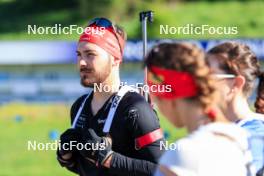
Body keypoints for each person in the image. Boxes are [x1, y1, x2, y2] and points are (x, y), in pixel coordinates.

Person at [56, 17, 164, 176]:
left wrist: (109, 158)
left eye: (90, 54)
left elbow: (162, 171)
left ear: (115, 59)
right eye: (79, 54)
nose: (81, 63)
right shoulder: (79, 107)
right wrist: (66, 158)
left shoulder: (136, 109)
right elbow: (91, 169)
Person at [144, 43, 255, 176]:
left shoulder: (183, 153)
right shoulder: (239, 137)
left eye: (157, 100)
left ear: (170, 99)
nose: (158, 108)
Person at [206, 42, 264, 172]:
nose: (200, 84)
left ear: (236, 84)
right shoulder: (217, 130)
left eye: (208, 77)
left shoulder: (254, 137)